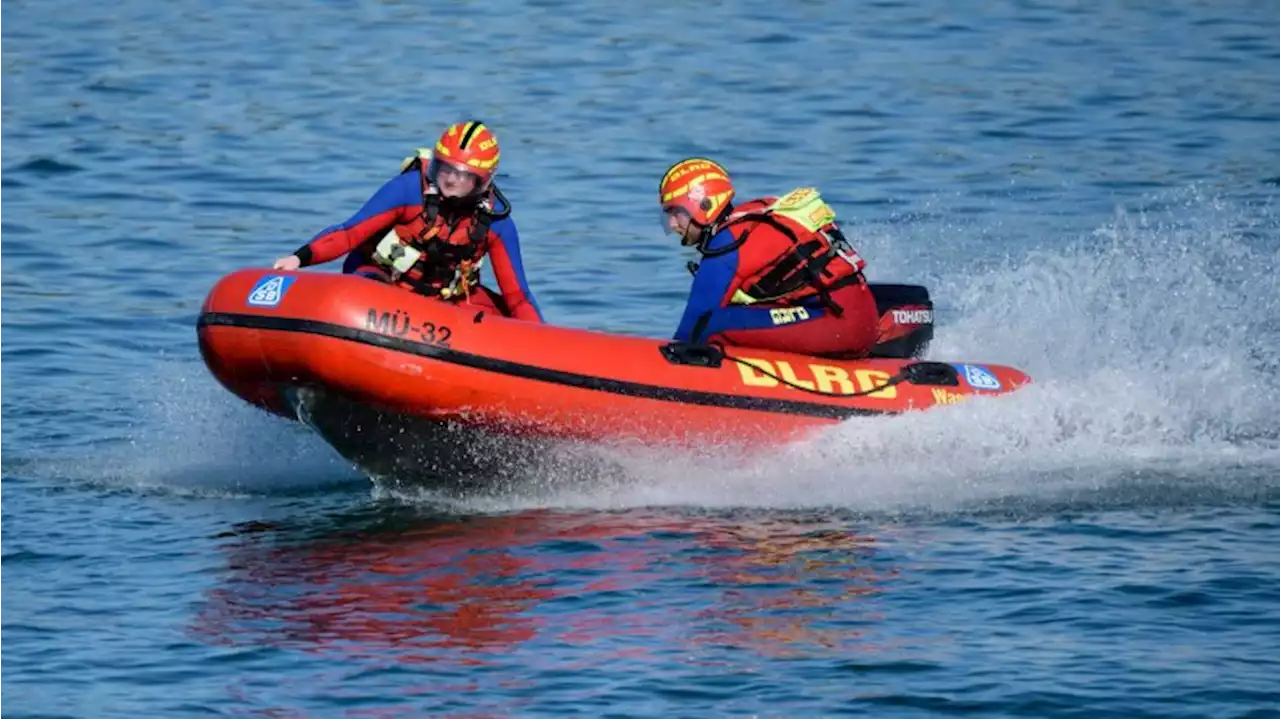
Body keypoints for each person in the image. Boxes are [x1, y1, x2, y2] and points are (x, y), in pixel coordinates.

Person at [272, 121, 544, 323]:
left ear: (482, 181)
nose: (450, 179)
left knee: (505, 315)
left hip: (443, 301)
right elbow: (348, 233)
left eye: (462, 175)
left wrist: (543, 340)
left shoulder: (496, 222)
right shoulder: (408, 191)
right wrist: (299, 259)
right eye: (445, 168)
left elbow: (517, 295)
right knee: (366, 291)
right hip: (380, 280)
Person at [658, 158, 879, 358]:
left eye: (676, 213)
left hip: (840, 324)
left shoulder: (726, 244)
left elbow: (691, 328)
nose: (672, 225)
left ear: (703, 205)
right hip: (851, 315)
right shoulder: (752, 216)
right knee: (732, 316)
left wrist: (661, 365)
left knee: (710, 324)